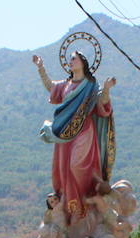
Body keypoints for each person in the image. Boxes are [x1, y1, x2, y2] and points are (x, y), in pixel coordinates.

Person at [34, 50, 116, 220]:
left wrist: (106, 89)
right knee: (64, 169)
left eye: (74, 59)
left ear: (83, 63)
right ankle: (71, 209)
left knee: (76, 165)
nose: (71, 61)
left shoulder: (91, 85)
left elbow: (101, 103)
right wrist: (41, 69)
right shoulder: (65, 84)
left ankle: (87, 201)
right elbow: (51, 87)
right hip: (64, 134)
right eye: (70, 59)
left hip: (84, 130)